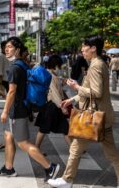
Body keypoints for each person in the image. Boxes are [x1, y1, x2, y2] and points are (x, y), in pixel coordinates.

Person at [48, 36, 119, 188]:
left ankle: (67, 180)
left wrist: (77, 87)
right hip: (102, 115)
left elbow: (96, 92)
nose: (81, 50)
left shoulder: (95, 65)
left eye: (84, 48)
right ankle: (67, 179)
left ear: (93, 48)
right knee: (112, 153)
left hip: (93, 117)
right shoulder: (100, 63)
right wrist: (72, 99)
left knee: (75, 148)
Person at [0, 37, 60, 181]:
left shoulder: (14, 68)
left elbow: (11, 92)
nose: (7, 49)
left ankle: (50, 167)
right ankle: (8, 168)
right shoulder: (22, 65)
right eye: (6, 47)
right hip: (22, 106)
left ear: (17, 50)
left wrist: (5, 111)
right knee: (8, 136)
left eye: (10, 47)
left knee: (23, 143)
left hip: (17, 110)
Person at [34, 55, 70, 150]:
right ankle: (36, 149)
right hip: (52, 106)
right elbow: (54, 93)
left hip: (51, 106)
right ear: (56, 65)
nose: (61, 68)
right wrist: (62, 107)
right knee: (44, 128)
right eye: (60, 66)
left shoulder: (51, 75)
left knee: (64, 128)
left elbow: (55, 90)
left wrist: (62, 82)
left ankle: (73, 150)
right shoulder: (50, 75)